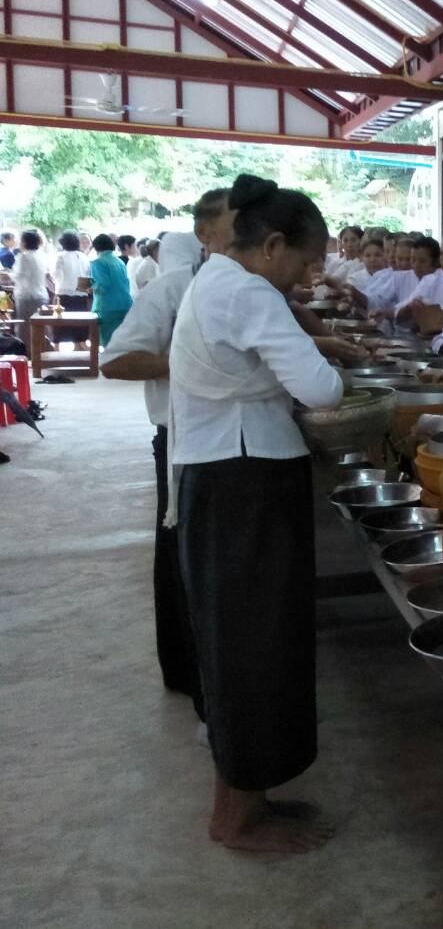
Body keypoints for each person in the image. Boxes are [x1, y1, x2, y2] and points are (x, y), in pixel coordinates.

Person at [168, 174, 342, 854]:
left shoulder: (216, 278)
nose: (302, 279)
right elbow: (321, 387)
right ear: (272, 246)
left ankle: (250, 797)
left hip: (224, 476)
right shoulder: (247, 291)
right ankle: (237, 820)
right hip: (245, 484)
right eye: (302, 263)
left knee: (246, 642)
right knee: (254, 646)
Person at [102, 189, 234, 719]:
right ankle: (186, 671)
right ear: (205, 235)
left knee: (214, 563)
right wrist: (187, 364)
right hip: (180, 440)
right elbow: (114, 361)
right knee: (181, 557)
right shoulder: (174, 289)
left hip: (226, 440)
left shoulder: (245, 288)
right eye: (234, 226)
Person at [88, 233, 132, 347]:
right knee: (122, 343)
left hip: (107, 307)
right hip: (126, 304)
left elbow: (102, 286)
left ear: (96, 247)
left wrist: (89, 287)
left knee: (108, 344)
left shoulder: (98, 263)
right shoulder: (119, 261)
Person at [11, 229, 51, 329]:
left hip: (26, 296)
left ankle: (27, 345)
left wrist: (9, 275)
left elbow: (18, 276)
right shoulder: (42, 255)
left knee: (26, 327)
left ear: (24, 242)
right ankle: (42, 345)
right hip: (41, 294)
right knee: (41, 327)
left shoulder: (23, 257)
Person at [54, 231, 92, 313]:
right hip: (82, 294)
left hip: (64, 294)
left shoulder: (60, 256)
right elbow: (87, 275)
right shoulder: (84, 257)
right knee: (80, 322)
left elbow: (56, 276)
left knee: (63, 323)